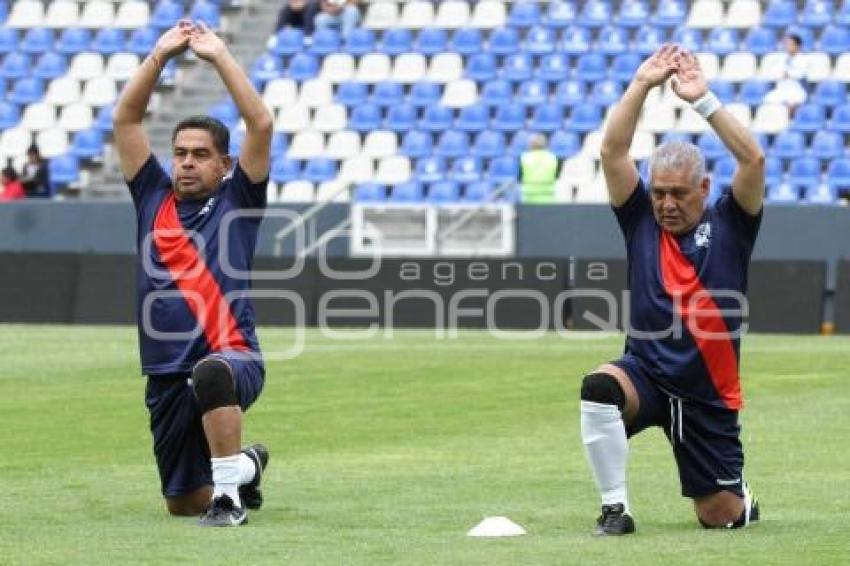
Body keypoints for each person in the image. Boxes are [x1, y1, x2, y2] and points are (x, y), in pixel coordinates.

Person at [580, 44, 765, 536]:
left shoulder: (732, 221)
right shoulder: (640, 219)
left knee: (719, 519)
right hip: (647, 373)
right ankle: (615, 510)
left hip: (708, 394)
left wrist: (703, 101)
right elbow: (612, 152)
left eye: (678, 194)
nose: (664, 203)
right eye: (658, 192)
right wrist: (641, 85)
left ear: (704, 189)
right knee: (598, 389)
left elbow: (753, 159)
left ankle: (739, 496)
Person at [112, 21, 274, 527]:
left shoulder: (238, 199)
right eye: (180, 153)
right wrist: (159, 56)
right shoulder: (152, 198)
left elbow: (261, 124)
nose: (186, 163)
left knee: (212, 372)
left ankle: (230, 502)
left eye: (200, 155)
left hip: (233, 357)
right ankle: (245, 466)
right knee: (182, 504)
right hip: (163, 371)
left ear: (224, 164)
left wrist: (220, 54)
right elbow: (126, 120)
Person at [764, 34, 808, 111]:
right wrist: (781, 74)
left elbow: (801, 74)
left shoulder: (803, 60)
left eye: (791, 44)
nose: (788, 46)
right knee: (768, 99)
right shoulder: (780, 59)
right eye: (787, 44)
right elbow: (774, 73)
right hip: (781, 89)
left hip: (795, 89)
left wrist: (789, 74)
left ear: (797, 46)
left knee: (795, 101)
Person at [520, 133, 558, 203]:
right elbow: (556, 176)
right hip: (549, 195)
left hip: (528, 196)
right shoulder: (552, 157)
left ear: (531, 144)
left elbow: (519, 177)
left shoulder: (524, 157)